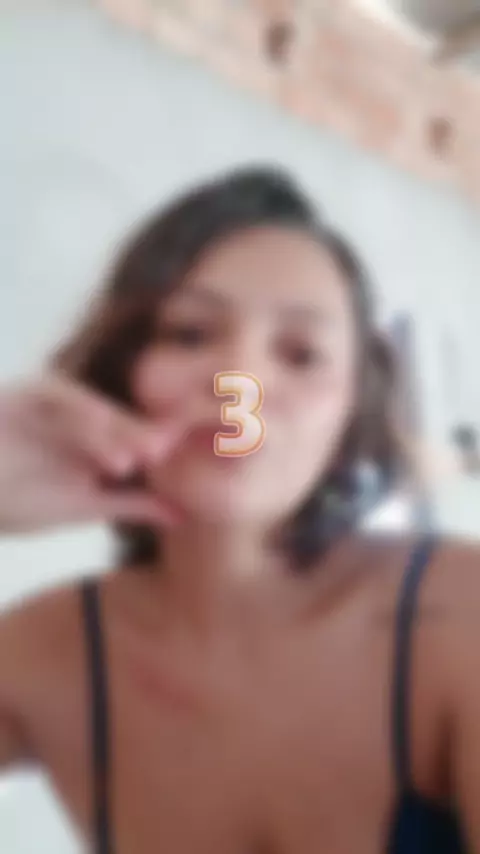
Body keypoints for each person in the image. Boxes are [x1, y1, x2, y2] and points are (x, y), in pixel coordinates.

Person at [0, 165, 478, 854]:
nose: (240, 384)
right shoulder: (46, 652)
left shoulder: (458, 615)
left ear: (352, 409)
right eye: (190, 334)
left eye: (301, 353)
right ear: (120, 372)